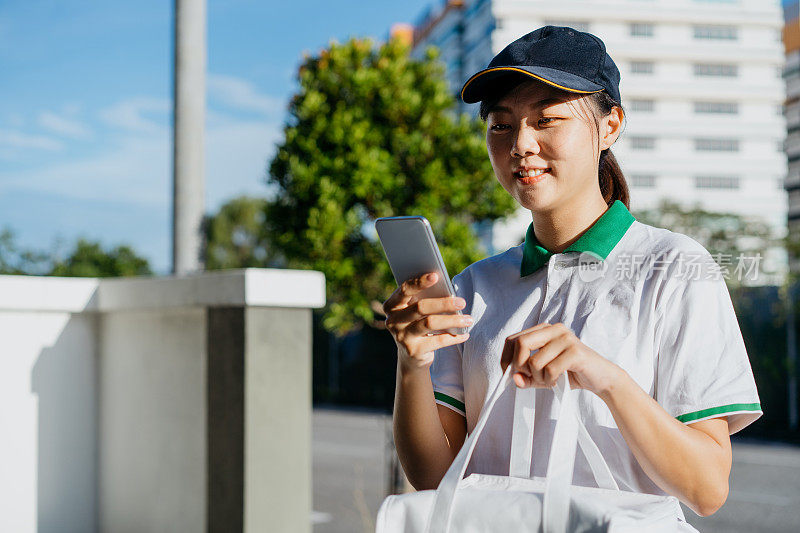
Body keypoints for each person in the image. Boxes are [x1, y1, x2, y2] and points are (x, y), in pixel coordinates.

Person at [381, 25, 763, 520]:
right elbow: (435, 477)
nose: (521, 144)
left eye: (548, 120)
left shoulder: (675, 268)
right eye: (501, 125)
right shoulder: (473, 288)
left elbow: (707, 489)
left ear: (610, 126)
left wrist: (607, 380)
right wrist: (412, 364)